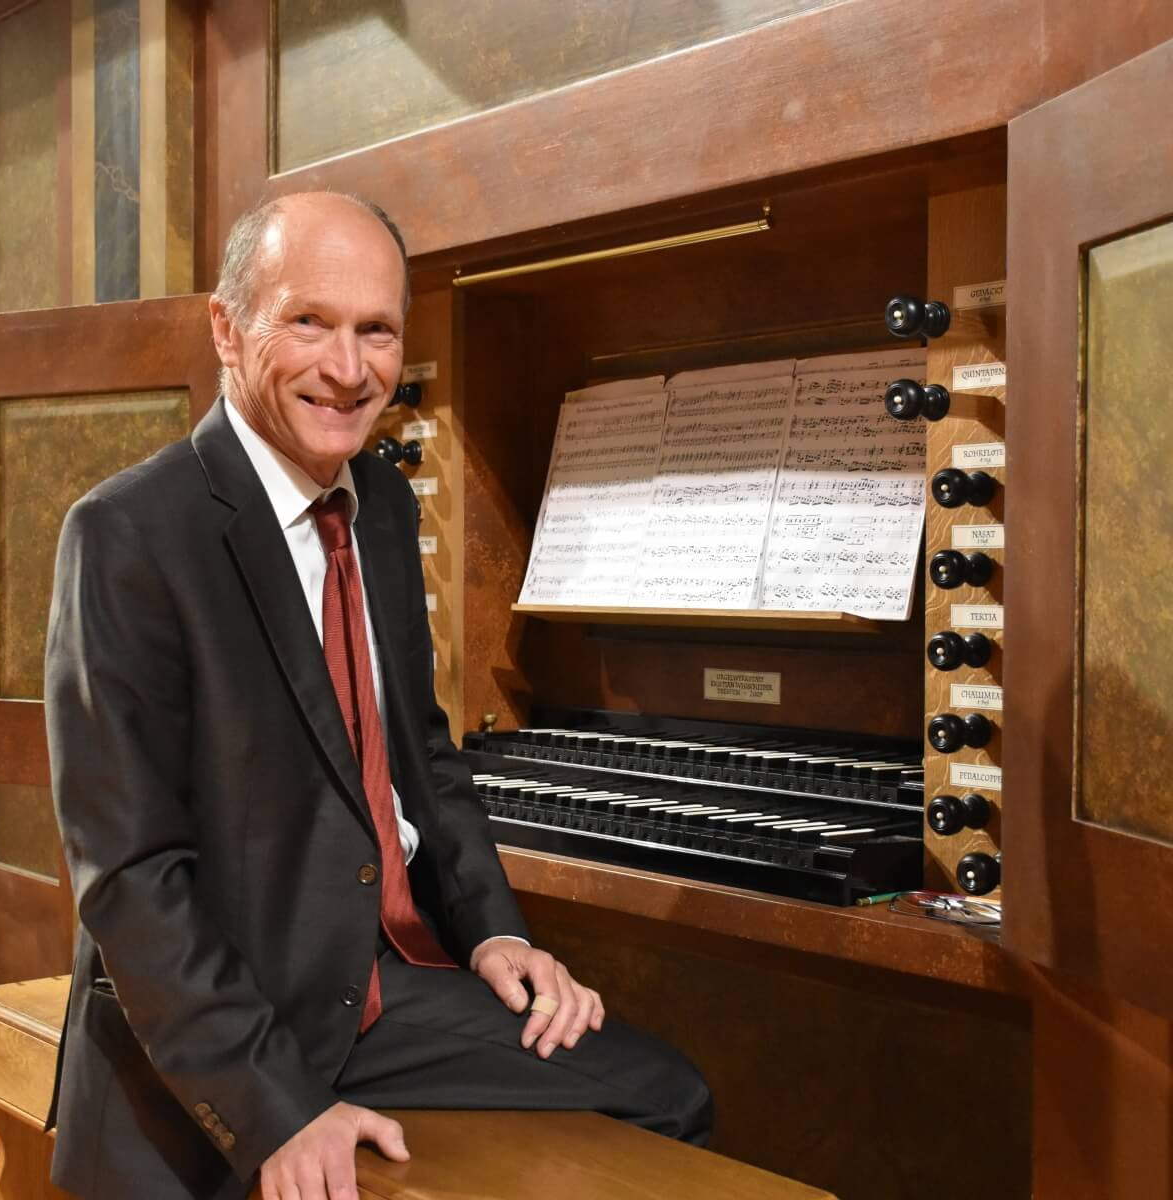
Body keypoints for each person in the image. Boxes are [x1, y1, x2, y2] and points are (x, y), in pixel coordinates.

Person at [44, 191, 712, 1200]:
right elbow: (131, 880)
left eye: (377, 331)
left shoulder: (384, 503)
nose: (349, 370)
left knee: (669, 1097)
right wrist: (277, 1110)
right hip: (225, 1018)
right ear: (227, 330)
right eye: (308, 322)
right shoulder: (130, 534)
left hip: (380, 988)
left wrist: (496, 931)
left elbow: (422, 755)